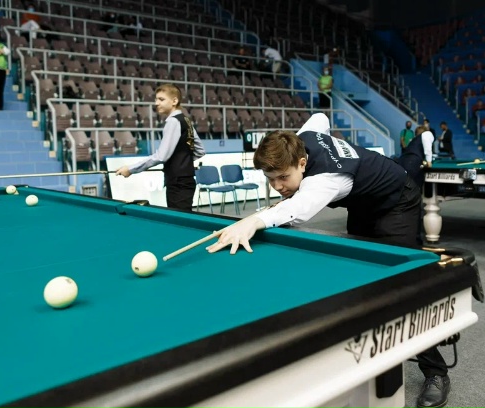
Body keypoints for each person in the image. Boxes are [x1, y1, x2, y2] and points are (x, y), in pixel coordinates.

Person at [206, 112, 452, 408]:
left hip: (397, 200)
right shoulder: (302, 140)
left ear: (302, 163)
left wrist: (254, 220)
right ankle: (364, 351)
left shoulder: (326, 180)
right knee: (359, 278)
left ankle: (436, 372)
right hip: (363, 203)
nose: (278, 186)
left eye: (284, 177)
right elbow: (321, 117)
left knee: (401, 288)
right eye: (271, 179)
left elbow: (300, 209)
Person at [115, 84, 205, 211]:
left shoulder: (173, 121)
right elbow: (200, 150)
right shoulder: (186, 120)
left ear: (174, 101)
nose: (156, 103)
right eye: (156, 99)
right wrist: (182, 161)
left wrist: (130, 169)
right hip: (187, 180)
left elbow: (161, 156)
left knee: (177, 220)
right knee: (182, 217)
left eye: (161, 99)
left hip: (177, 183)